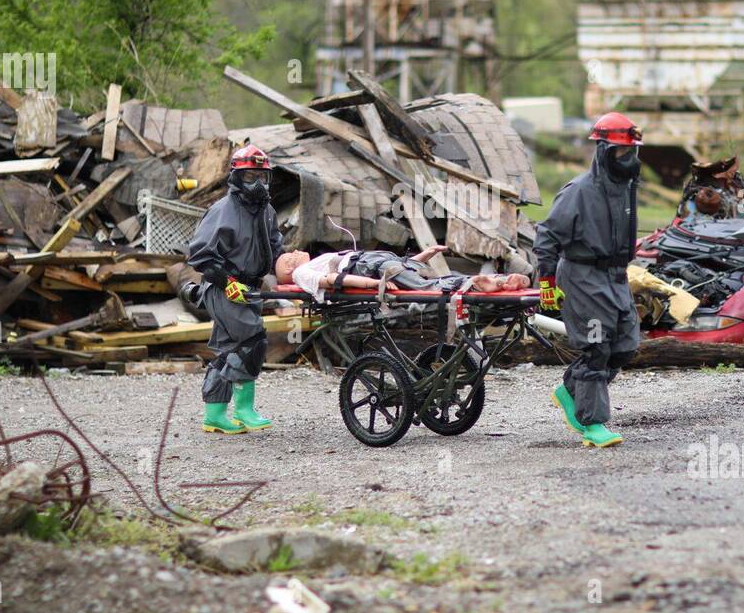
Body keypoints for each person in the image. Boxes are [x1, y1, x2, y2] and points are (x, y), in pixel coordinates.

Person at [534, 111, 643, 448]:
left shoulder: (626, 187)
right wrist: (546, 282)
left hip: (616, 277)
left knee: (625, 345)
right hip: (583, 279)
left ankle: (570, 390)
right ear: (603, 151)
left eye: (631, 151)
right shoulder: (578, 191)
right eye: (620, 151)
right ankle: (592, 423)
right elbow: (547, 235)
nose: (626, 158)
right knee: (596, 348)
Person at [185, 144, 284, 435]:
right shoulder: (222, 210)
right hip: (223, 288)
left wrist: (295, 270)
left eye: (262, 176)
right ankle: (244, 410)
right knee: (252, 341)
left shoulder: (267, 211)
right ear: (237, 177)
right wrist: (227, 283)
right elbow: (200, 255)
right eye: (251, 176)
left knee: (227, 349)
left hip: (250, 289)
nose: (258, 183)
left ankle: (214, 415)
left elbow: (276, 250)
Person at [276, 245, 529, 299]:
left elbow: (396, 266)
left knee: (431, 284)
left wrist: (423, 255)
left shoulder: (314, 261)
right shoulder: (301, 273)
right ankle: (490, 281)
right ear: (289, 267)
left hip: (378, 262)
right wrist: (373, 285)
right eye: (290, 255)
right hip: (372, 267)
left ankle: (491, 281)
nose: (295, 250)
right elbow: (334, 279)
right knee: (431, 286)